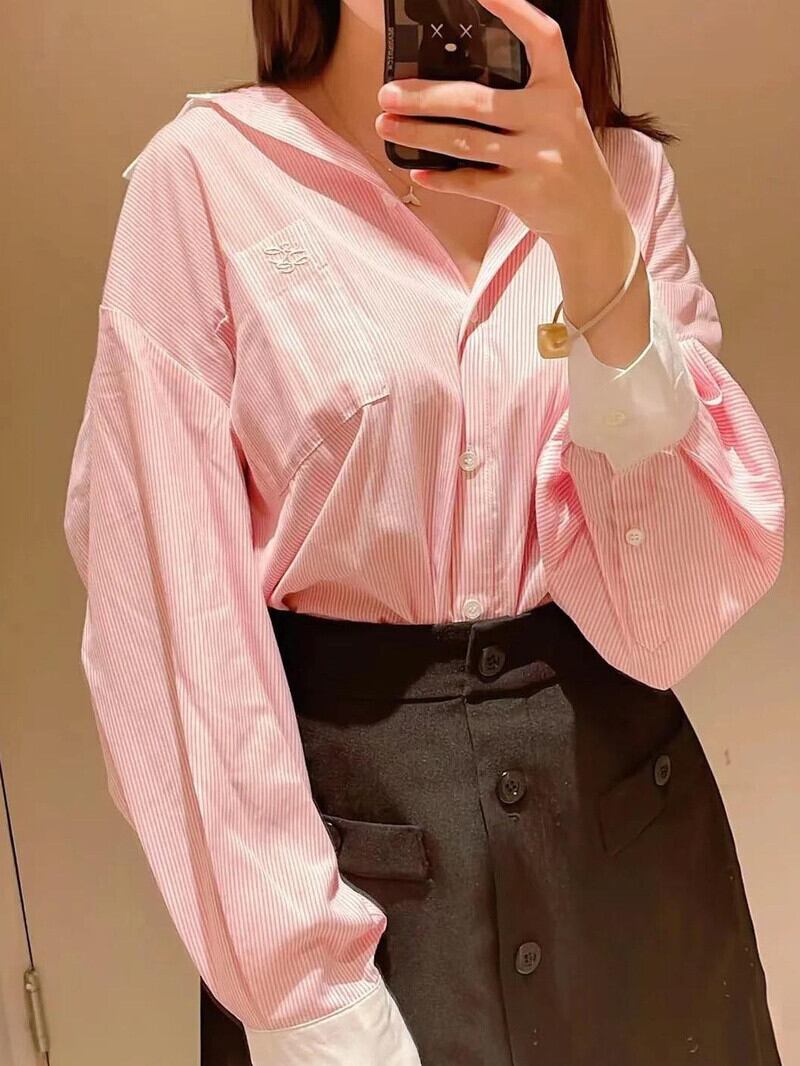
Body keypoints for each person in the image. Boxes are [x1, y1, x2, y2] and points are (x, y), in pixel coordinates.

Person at [62, 0, 786, 1063]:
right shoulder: (208, 181)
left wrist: (595, 248)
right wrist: (307, 994)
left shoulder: (619, 177)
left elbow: (666, 619)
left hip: (631, 854)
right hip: (355, 884)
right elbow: (177, 627)